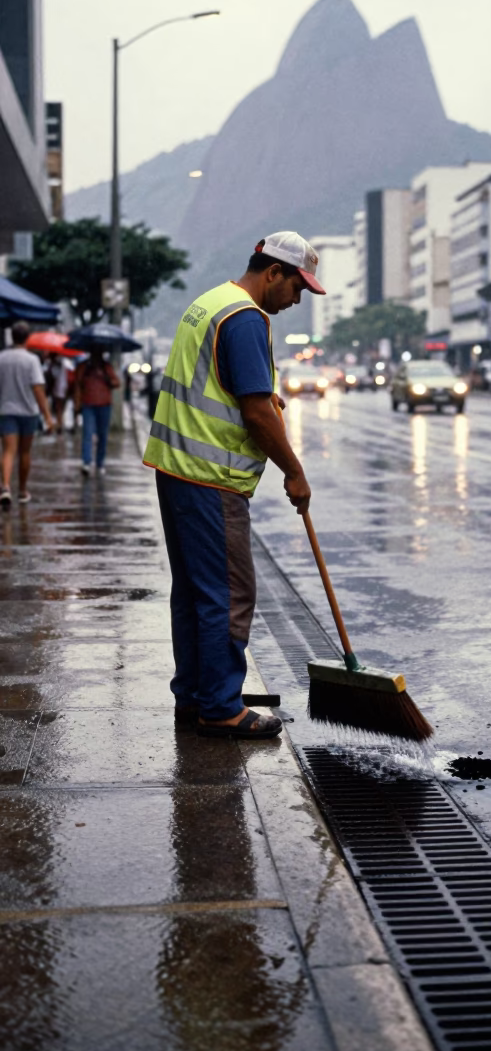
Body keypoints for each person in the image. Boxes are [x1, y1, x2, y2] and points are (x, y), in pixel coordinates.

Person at [143, 231, 325, 740]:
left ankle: (196, 696)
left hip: (178, 470)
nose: (297, 300)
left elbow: (227, 392)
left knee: (196, 593)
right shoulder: (245, 318)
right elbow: (255, 412)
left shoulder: (210, 302)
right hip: (210, 478)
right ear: (272, 272)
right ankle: (221, 707)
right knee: (229, 593)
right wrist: (293, 470)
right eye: (296, 288)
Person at [0, 321, 56, 507]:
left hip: (6, 410)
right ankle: (22, 490)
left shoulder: (2, 358)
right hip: (28, 413)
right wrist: (47, 415)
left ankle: (5, 486)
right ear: (27, 338)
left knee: (8, 450)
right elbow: (38, 389)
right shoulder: (31, 360)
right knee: (24, 452)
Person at [73, 348, 120, 476]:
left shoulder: (106, 367)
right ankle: (86, 462)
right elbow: (77, 384)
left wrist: (106, 378)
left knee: (102, 435)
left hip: (104, 405)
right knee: (87, 434)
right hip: (88, 404)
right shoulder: (84, 367)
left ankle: (100, 463)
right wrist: (77, 404)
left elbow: (116, 382)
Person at [45, 352, 70, 434]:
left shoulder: (56, 365)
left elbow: (53, 376)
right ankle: (59, 424)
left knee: (58, 408)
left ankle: (58, 425)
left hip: (58, 390)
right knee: (59, 409)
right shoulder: (63, 363)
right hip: (62, 389)